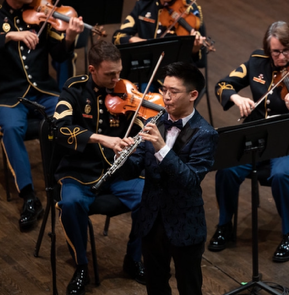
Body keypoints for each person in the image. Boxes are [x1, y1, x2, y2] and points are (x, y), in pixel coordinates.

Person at [209, 20, 289, 262]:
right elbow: (223, 85)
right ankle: (224, 226)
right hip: (261, 137)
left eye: (287, 51)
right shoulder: (255, 62)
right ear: (268, 49)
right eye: (276, 52)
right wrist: (237, 99)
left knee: (281, 175)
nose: (282, 57)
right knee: (226, 168)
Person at [53, 40, 147, 295]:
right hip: (79, 171)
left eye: (119, 72)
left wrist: (136, 135)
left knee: (150, 196)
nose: (117, 79)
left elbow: (140, 123)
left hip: (118, 173)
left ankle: (132, 259)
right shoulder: (73, 90)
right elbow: (59, 129)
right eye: (110, 74)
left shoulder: (124, 90)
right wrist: (100, 138)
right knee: (71, 204)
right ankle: (81, 266)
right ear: (92, 69)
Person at [123, 61, 218, 295]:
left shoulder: (205, 134)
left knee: (189, 286)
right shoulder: (154, 121)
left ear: (193, 95)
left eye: (173, 91)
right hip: (151, 220)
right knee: (155, 285)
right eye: (163, 89)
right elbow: (137, 166)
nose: (165, 97)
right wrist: (121, 155)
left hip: (184, 224)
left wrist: (161, 146)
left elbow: (189, 180)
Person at [0, 0, 83, 231]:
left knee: (67, 113)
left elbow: (59, 54)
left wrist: (69, 38)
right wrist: (9, 36)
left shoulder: (40, 13)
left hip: (42, 91)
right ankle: (29, 196)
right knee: (10, 127)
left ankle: (69, 180)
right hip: (7, 94)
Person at [112, 0, 205, 69]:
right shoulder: (143, 4)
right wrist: (131, 40)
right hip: (146, 68)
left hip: (176, 72)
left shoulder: (189, 8)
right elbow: (117, 36)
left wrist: (194, 50)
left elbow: (200, 61)